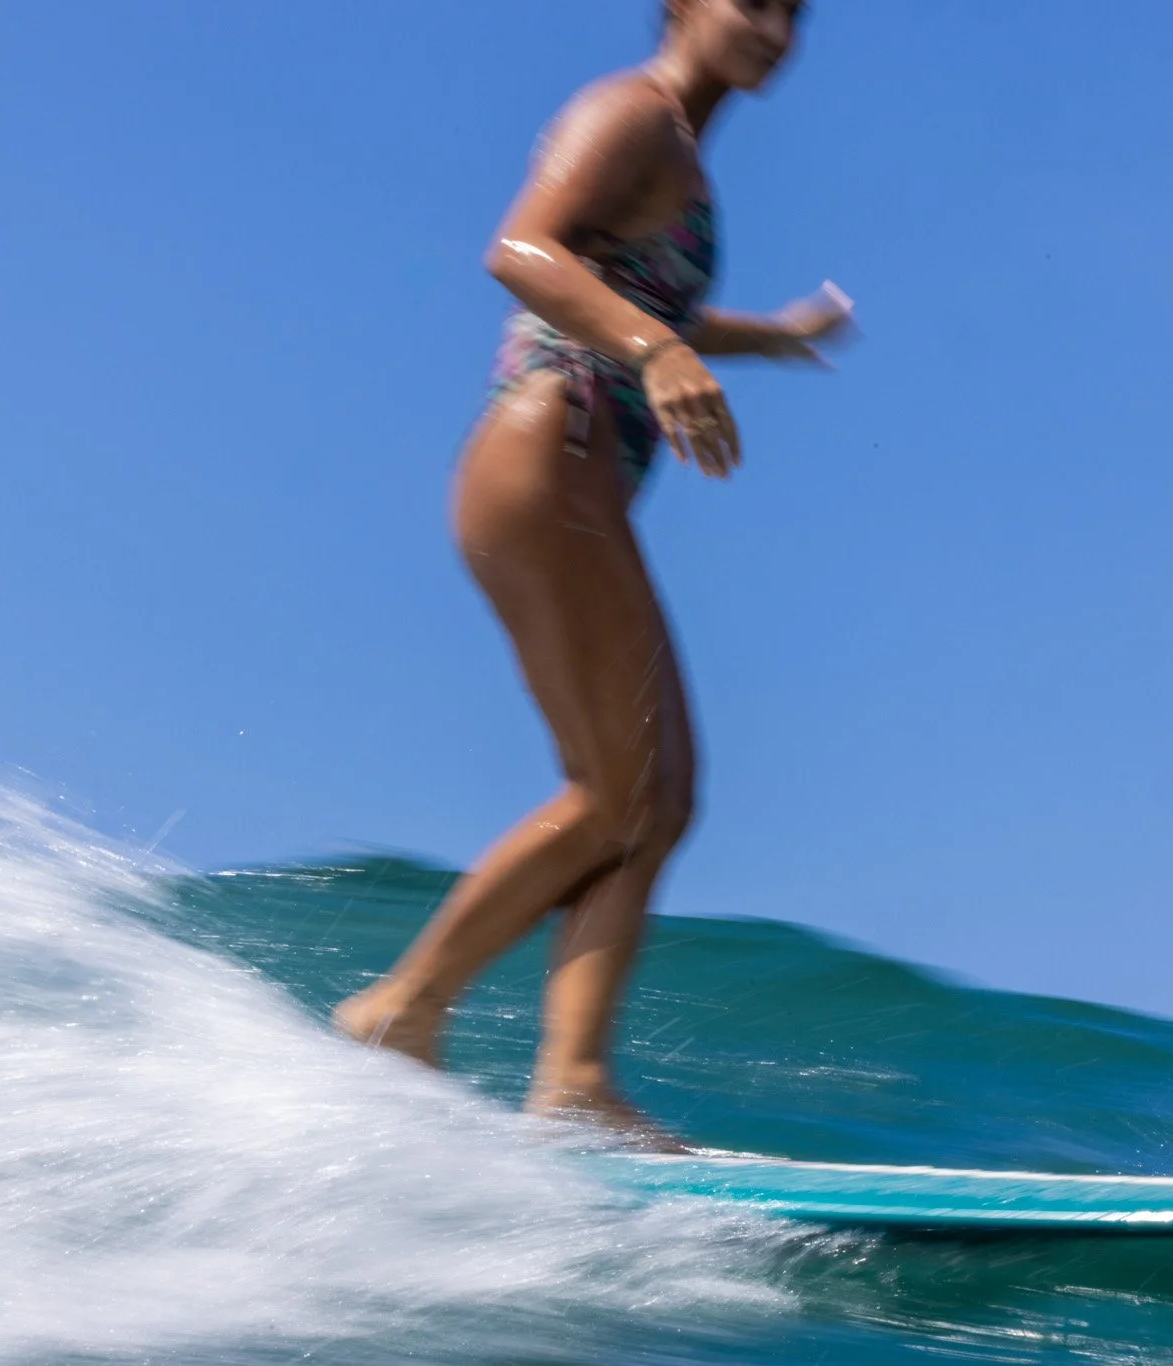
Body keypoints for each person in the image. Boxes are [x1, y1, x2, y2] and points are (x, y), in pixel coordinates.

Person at [335, 0, 848, 1145]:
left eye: (792, 12)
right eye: (749, 1)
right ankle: (406, 1009)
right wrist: (658, 350)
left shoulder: (677, 149)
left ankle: (571, 1081)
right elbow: (521, 248)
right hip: (545, 451)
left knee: (652, 798)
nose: (773, 27)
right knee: (618, 791)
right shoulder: (632, 113)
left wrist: (750, 335)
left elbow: (635, 286)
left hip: (571, 471)